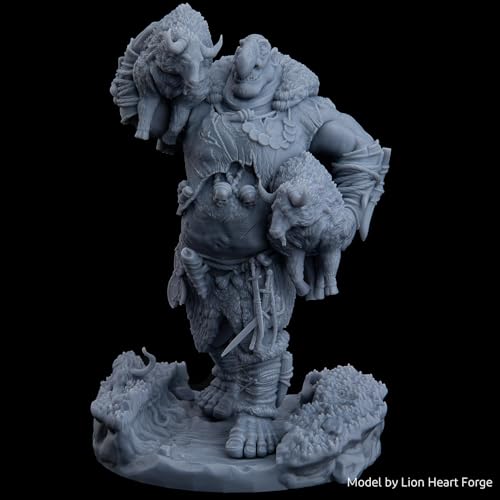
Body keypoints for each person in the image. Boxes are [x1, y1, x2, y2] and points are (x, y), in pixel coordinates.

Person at [112, 28, 390, 459]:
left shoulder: (301, 112)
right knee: (209, 332)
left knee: (260, 339)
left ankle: (258, 411)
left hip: (260, 265)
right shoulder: (199, 99)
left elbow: (363, 152)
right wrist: (157, 48)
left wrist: (345, 217)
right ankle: (227, 379)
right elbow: (138, 109)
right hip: (198, 253)